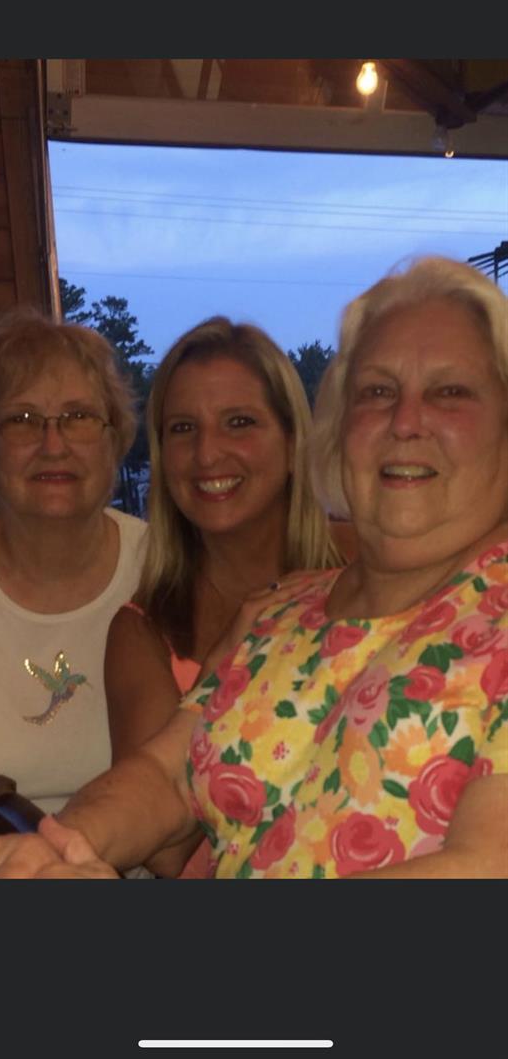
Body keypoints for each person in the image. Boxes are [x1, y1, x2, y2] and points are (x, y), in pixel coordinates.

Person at [0, 256, 507, 880]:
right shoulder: (281, 613)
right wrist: (55, 846)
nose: (406, 422)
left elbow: (484, 865)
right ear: (336, 431)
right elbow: (168, 772)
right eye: (377, 392)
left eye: (450, 392)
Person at [103, 316, 341, 877]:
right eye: (183, 428)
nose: (208, 453)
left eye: (239, 422)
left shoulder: (365, 575)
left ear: (291, 444)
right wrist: (227, 665)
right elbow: (164, 854)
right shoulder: (144, 631)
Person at [0, 307, 148, 841]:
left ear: (115, 438)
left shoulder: (168, 569)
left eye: (79, 416)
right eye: (22, 419)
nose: (53, 443)